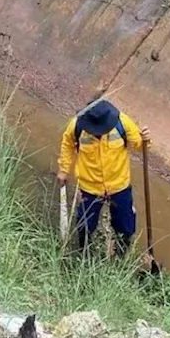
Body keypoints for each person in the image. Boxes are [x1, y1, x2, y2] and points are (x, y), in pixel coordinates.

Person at [57, 93, 151, 256]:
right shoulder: (77, 125)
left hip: (118, 185)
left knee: (125, 226)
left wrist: (145, 140)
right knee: (85, 225)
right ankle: (84, 255)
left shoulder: (122, 122)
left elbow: (138, 144)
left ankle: (121, 256)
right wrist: (64, 169)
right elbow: (67, 143)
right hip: (89, 186)